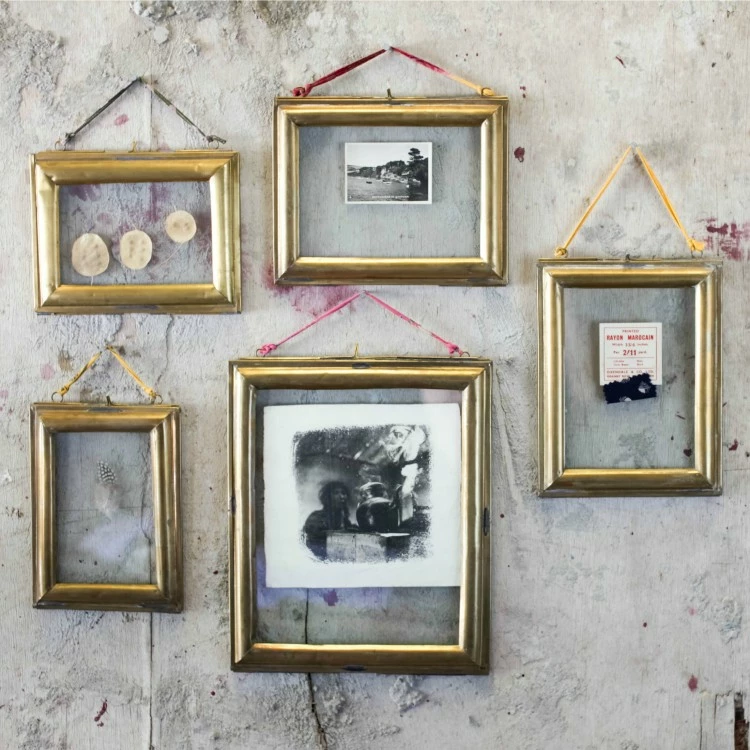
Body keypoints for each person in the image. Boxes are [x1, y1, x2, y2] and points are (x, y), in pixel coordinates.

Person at [302, 481, 352, 560]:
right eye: (336, 493)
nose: (341, 497)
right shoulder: (316, 517)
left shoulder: (345, 522)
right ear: (327, 497)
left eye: (343, 493)